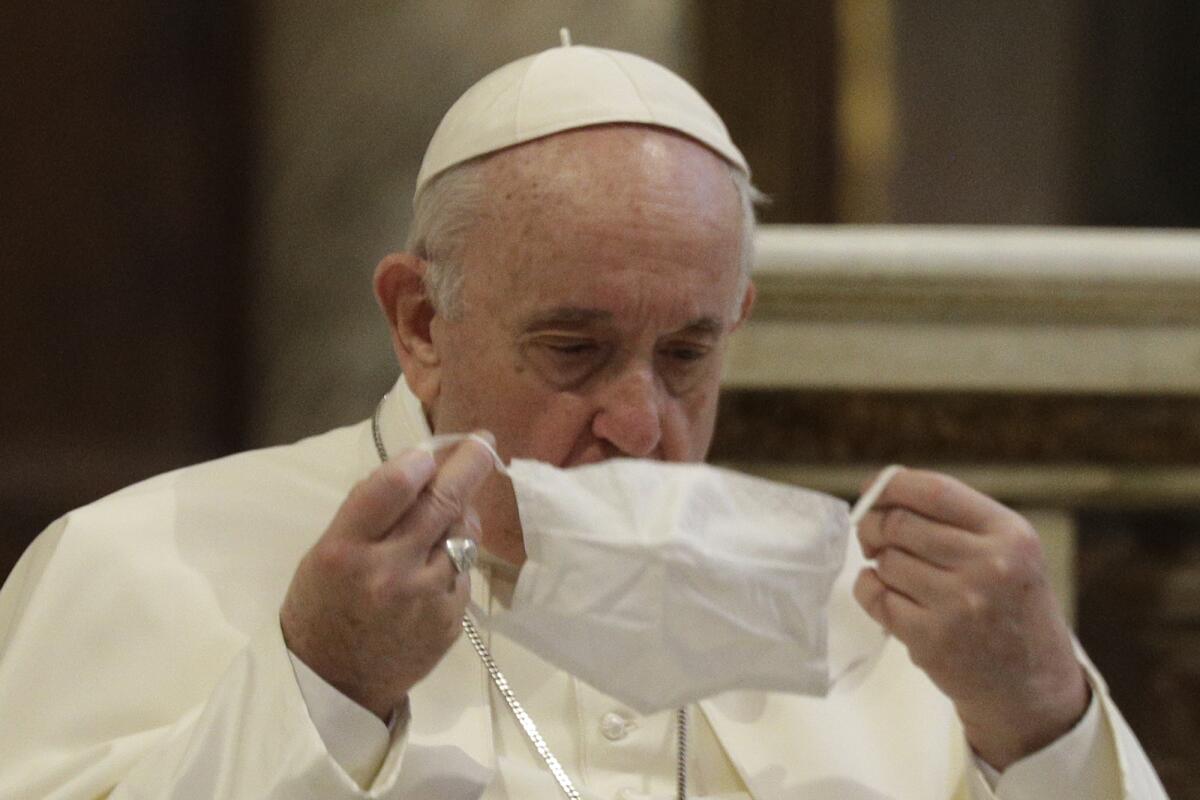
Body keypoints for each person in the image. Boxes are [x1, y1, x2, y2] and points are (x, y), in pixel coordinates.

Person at [0, 40, 1167, 800]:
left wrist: (1040, 715)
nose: (640, 421)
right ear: (418, 318)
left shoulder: (862, 610)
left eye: (687, 353)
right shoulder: (135, 561)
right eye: (574, 348)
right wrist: (322, 685)